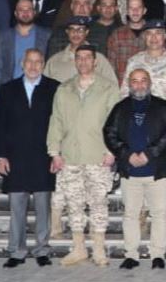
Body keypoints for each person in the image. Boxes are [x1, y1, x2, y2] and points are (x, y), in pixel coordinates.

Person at [47, 44, 120, 266]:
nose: (83, 61)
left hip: (98, 155)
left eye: (88, 58)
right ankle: (78, 248)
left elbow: (115, 122)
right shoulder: (64, 89)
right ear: (75, 61)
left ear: (95, 62)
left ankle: (98, 249)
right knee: (74, 203)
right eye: (79, 58)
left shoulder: (108, 88)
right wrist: (54, 152)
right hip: (71, 156)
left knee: (98, 204)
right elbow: (56, 121)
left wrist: (111, 151)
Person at [103, 68, 166, 270]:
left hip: (157, 171)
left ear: (150, 83)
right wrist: (127, 154)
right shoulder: (120, 108)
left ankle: (158, 255)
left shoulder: (163, 107)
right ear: (129, 84)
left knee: (159, 214)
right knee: (130, 214)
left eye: (143, 80)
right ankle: (131, 255)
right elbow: (109, 133)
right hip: (130, 172)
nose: (139, 85)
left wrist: (149, 154)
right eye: (135, 81)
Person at [0, 49, 58, 268]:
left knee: (43, 207)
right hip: (15, 157)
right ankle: (16, 251)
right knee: (17, 208)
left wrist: (57, 154)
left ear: (43, 64)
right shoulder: (8, 89)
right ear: (22, 64)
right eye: (29, 62)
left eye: (38, 62)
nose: (33, 66)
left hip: (43, 157)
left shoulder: (54, 88)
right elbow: (0, 125)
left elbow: (60, 123)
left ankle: (42, 250)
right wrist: (1, 156)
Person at [121, 19, 166, 102]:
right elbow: (125, 92)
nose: (153, 38)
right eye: (149, 33)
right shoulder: (133, 61)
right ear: (144, 37)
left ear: (165, 36)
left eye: (158, 33)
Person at [45, 16, 118, 84]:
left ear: (86, 32)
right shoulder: (54, 61)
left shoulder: (99, 60)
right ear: (67, 32)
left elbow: (113, 86)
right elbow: (44, 87)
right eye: (72, 29)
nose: (76, 33)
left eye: (80, 29)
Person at [106, 0, 148, 80]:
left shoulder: (154, 35)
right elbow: (111, 67)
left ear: (144, 10)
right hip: (122, 85)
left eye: (138, 7)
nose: (135, 11)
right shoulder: (116, 35)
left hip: (148, 85)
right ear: (127, 11)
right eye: (131, 8)